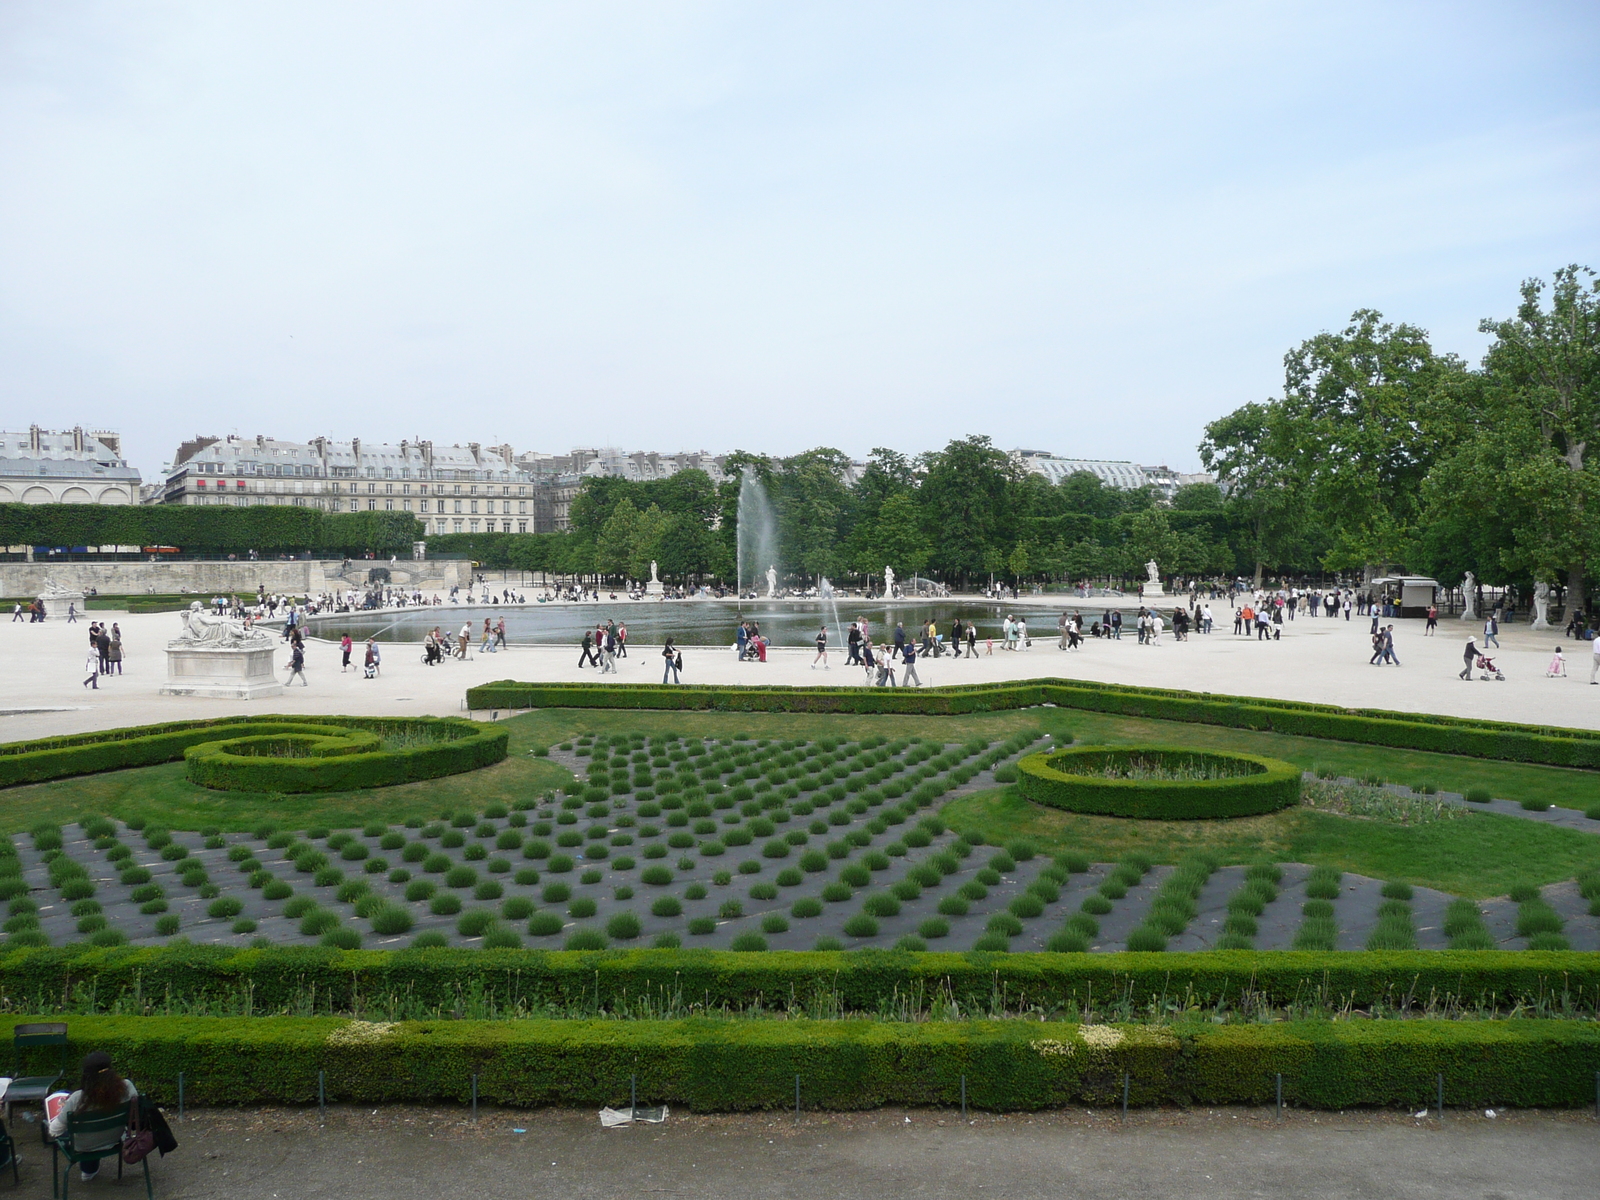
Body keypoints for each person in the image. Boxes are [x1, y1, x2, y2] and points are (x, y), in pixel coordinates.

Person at [48, 1051, 139, 1183]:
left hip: (82, 1146)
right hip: (115, 1139)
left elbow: (54, 1131)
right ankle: (89, 1170)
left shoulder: (77, 1098)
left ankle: (88, 1171)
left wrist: (51, 1121)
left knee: (68, 1129)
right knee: (96, 1125)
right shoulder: (127, 1087)